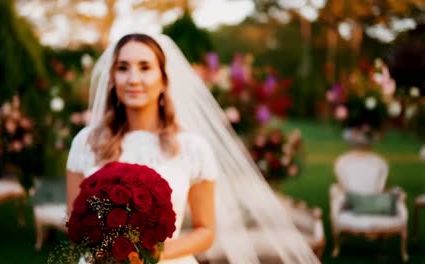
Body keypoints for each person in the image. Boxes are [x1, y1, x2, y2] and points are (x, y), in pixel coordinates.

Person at [67, 33, 319, 264]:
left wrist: (150, 254)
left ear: (164, 78)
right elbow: (74, 223)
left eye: (145, 67)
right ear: (112, 78)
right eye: (123, 68)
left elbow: (206, 231)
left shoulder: (192, 148)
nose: (133, 79)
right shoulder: (86, 142)